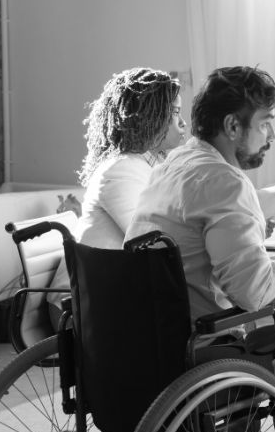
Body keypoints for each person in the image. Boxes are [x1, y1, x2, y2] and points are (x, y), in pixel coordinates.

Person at [124, 65, 275, 323]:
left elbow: (244, 203)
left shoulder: (174, 163)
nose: (272, 136)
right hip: (205, 346)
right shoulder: (227, 183)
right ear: (232, 126)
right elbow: (255, 292)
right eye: (265, 124)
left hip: (151, 337)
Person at [47, 67, 186, 310]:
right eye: (174, 113)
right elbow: (151, 242)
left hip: (109, 296)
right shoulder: (121, 170)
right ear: (148, 117)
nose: (183, 122)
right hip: (79, 309)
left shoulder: (150, 166)